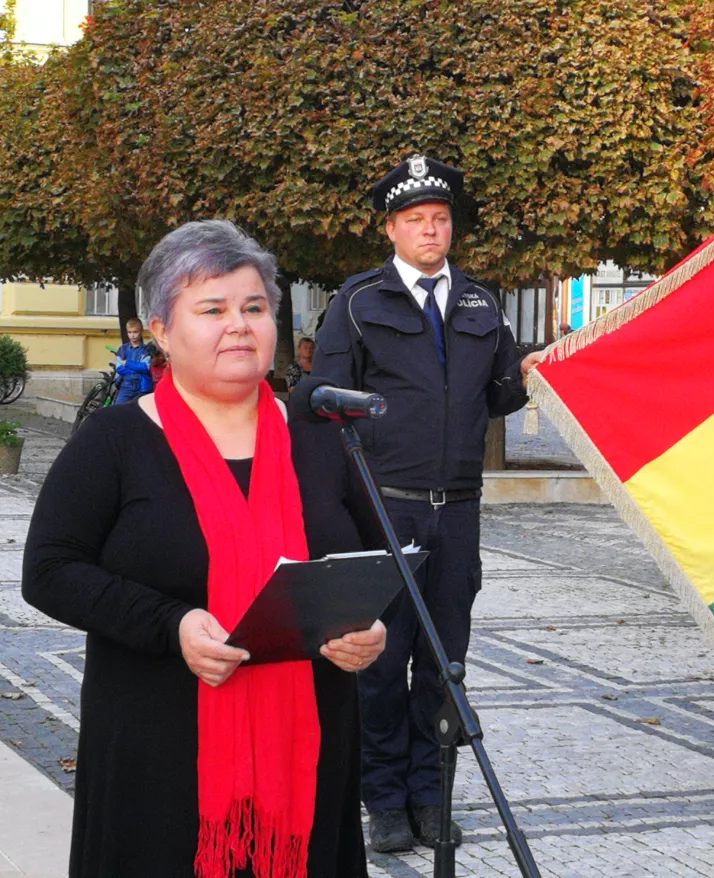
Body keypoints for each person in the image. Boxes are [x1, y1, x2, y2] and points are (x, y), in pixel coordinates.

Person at [23, 220, 387, 877]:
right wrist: (173, 623)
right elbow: (49, 570)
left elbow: (375, 562)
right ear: (160, 329)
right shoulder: (115, 442)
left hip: (306, 757)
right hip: (161, 758)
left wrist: (370, 627)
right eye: (212, 309)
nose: (240, 325)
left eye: (254, 307)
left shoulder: (321, 438)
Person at [312, 154, 540, 852]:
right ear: (391, 228)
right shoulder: (358, 303)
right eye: (416, 220)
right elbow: (323, 405)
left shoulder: (480, 302)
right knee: (382, 663)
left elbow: (500, 395)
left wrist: (535, 372)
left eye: (440, 220)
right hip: (385, 510)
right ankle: (382, 799)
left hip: (458, 511)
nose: (431, 231)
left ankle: (430, 794)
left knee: (446, 664)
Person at [113, 317, 154, 404]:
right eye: (130, 332)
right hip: (126, 385)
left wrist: (127, 363)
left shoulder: (146, 349)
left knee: (140, 413)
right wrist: (137, 369)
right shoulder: (123, 349)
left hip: (141, 386)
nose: (132, 335)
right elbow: (119, 368)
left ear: (141, 331)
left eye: (135, 332)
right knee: (118, 410)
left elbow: (145, 367)